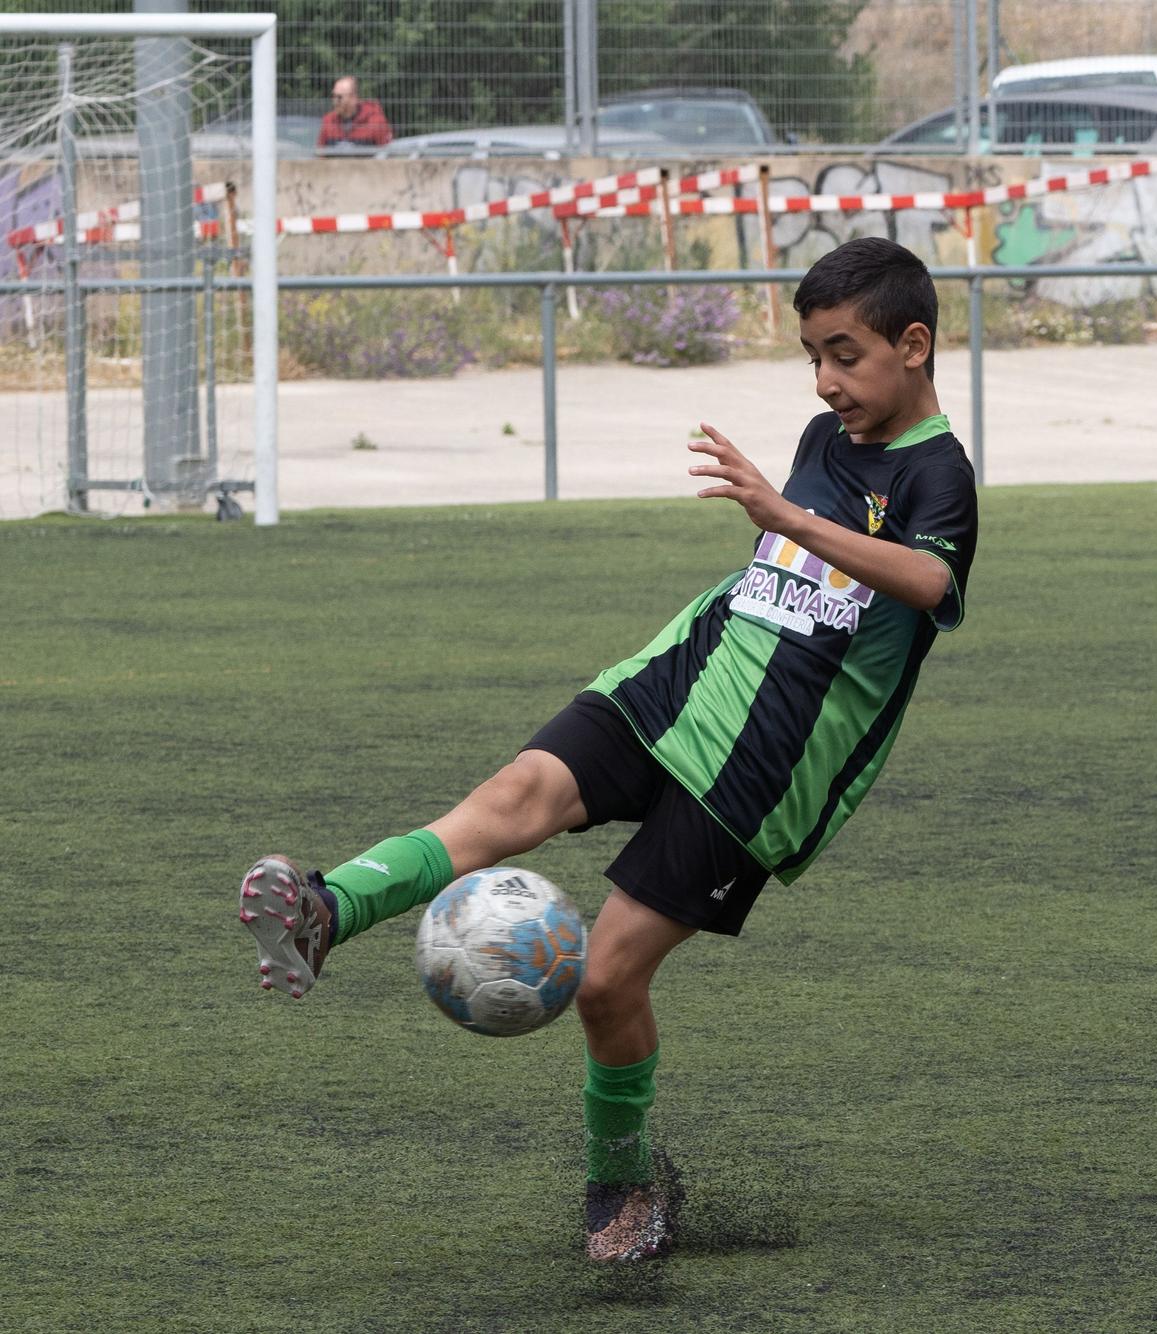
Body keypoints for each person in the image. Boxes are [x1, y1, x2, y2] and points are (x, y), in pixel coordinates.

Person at [235, 237, 978, 1260]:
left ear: (914, 343)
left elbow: (930, 585)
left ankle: (623, 1176)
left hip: (763, 766)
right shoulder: (821, 434)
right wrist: (783, 521)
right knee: (514, 793)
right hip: (678, 674)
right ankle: (327, 909)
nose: (825, 381)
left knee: (604, 980)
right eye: (811, 355)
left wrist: (781, 513)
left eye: (843, 354)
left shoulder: (939, 473)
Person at [317, 75, 393, 149]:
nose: (335, 101)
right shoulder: (328, 121)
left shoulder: (375, 121)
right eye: (333, 96)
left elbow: (386, 154)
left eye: (339, 97)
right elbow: (320, 155)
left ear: (353, 98)